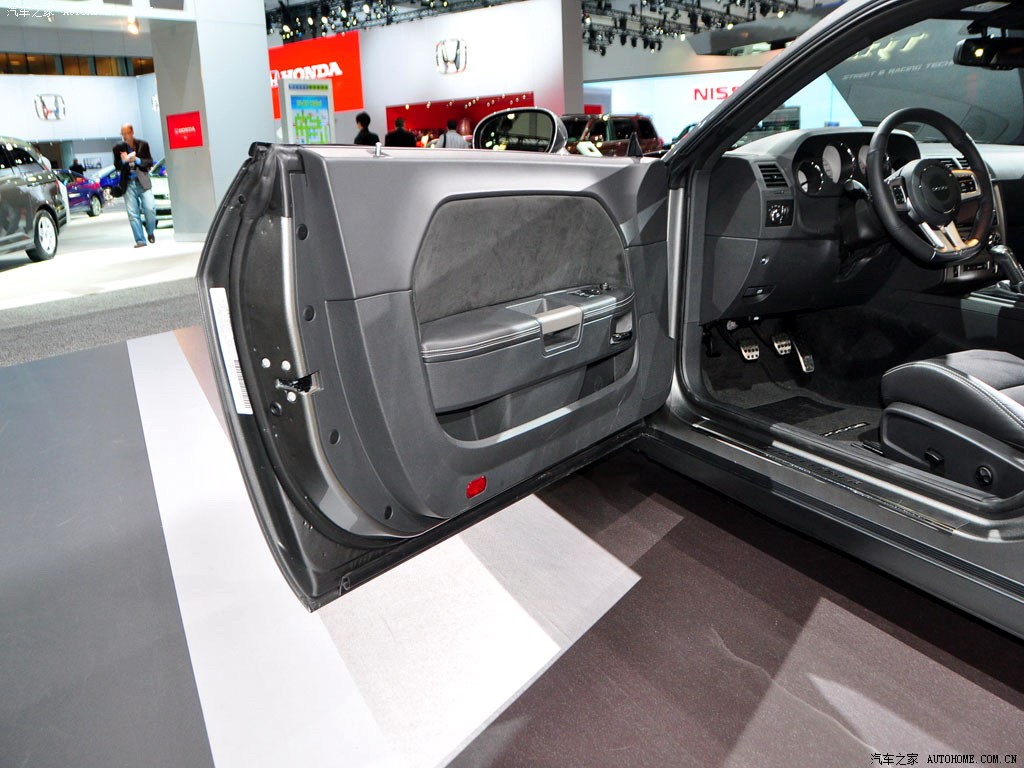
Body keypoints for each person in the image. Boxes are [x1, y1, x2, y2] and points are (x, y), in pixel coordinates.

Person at [112, 123, 156, 248]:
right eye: (122, 134)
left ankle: (150, 231)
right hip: (128, 183)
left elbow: (149, 162)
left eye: (126, 133)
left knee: (150, 208)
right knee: (132, 214)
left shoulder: (143, 145)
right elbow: (116, 166)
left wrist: (137, 160)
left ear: (132, 133)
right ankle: (140, 240)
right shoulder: (117, 148)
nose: (124, 136)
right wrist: (123, 161)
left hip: (142, 181)